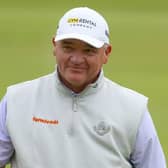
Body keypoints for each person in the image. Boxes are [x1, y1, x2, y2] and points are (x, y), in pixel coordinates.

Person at [0, 7, 166, 168]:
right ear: (54, 46)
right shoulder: (16, 100)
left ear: (106, 53)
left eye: (88, 51)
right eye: (68, 47)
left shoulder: (133, 108)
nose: (77, 59)